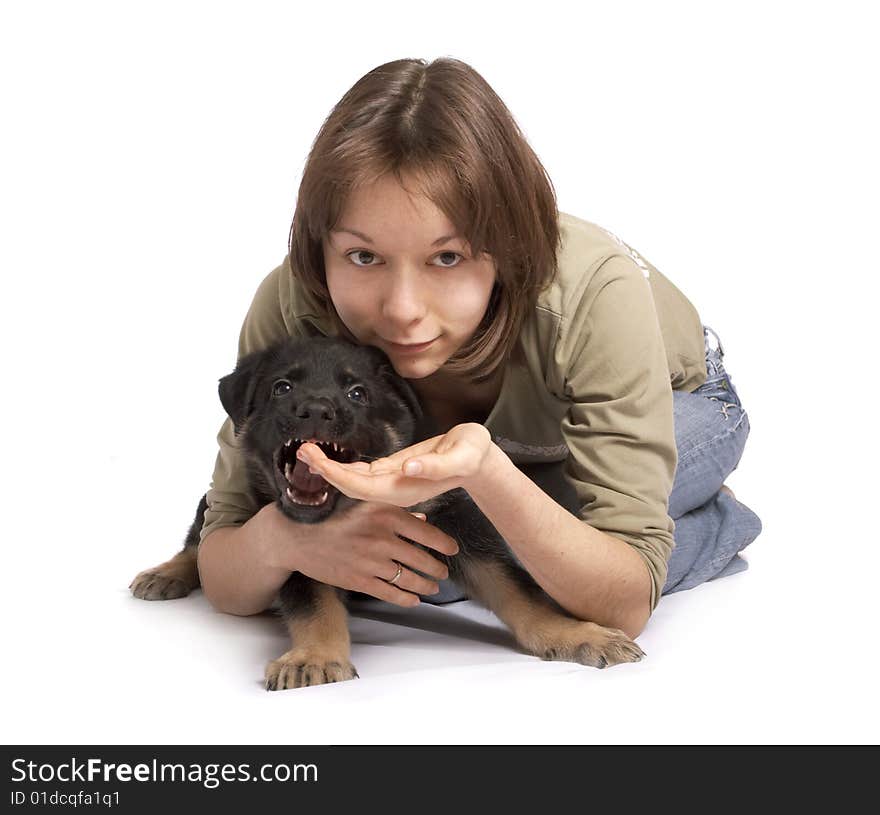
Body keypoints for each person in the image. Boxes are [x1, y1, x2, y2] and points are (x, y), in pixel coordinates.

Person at [196, 57, 762, 641]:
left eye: (448, 257)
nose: (402, 309)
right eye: (363, 257)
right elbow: (226, 558)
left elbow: (621, 609)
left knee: (466, 543)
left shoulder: (593, 294)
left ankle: (715, 525)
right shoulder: (293, 306)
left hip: (682, 401)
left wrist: (492, 481)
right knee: (420, 562)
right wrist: (288, 538)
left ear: (507, 248)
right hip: (488, 454)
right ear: (321, 246)